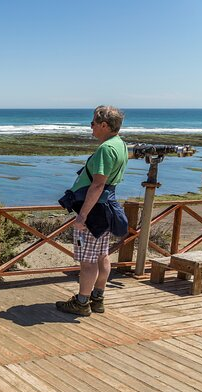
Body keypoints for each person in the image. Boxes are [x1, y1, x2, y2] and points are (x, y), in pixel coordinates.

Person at [56, 105, 128, 316]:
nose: (91, 128)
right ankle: (97, 298)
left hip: (94, 211)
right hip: (106, 207)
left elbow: (97, 185)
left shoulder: (106, 149)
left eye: (93, 123)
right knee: (101, 256)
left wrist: (82, 215)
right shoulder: (120, 144)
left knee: (88, 261)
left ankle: (81, 302)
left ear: (104, 125)